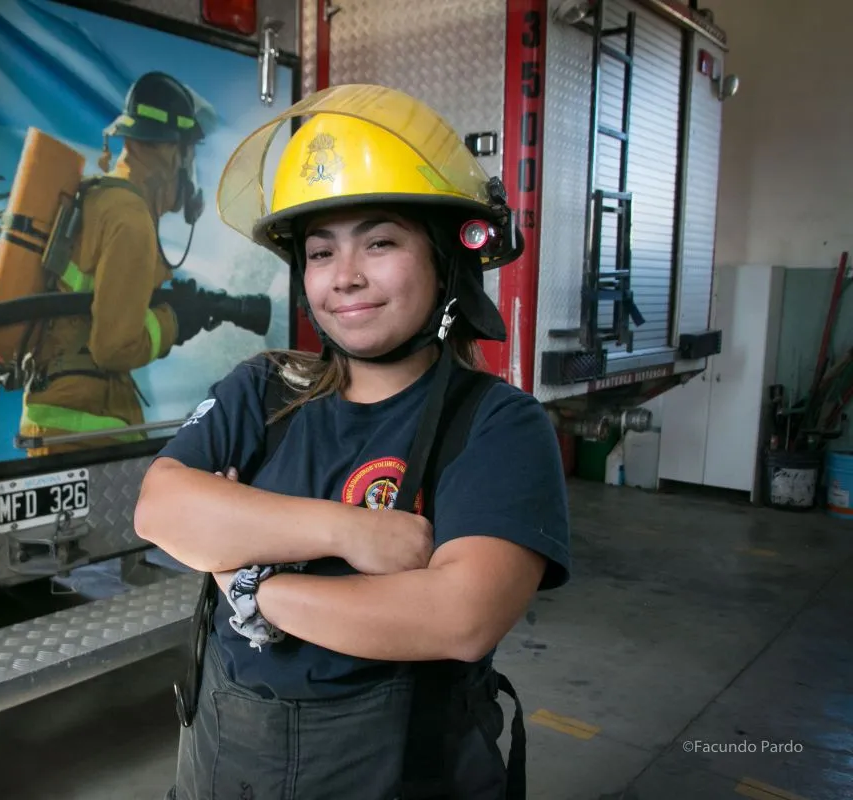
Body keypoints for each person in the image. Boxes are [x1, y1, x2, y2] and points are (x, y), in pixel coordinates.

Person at [134, 84, 572, 799]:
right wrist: (352, 532)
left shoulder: (498, 425)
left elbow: (459, 617)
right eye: (320, 251)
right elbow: (161, 509)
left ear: (444, 260)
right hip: (225, 767)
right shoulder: (264, 390)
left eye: (380, 242)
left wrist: (251, 580)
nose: (345, 277)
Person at [17, 71, 217, 456]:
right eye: (190, 151)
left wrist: (165, 304)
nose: (190, 167)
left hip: (60, 416)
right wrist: (174, 321)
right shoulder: (130, 217)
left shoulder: (104, 197)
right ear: (171, 151)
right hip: (86, 425)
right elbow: (114, 347)